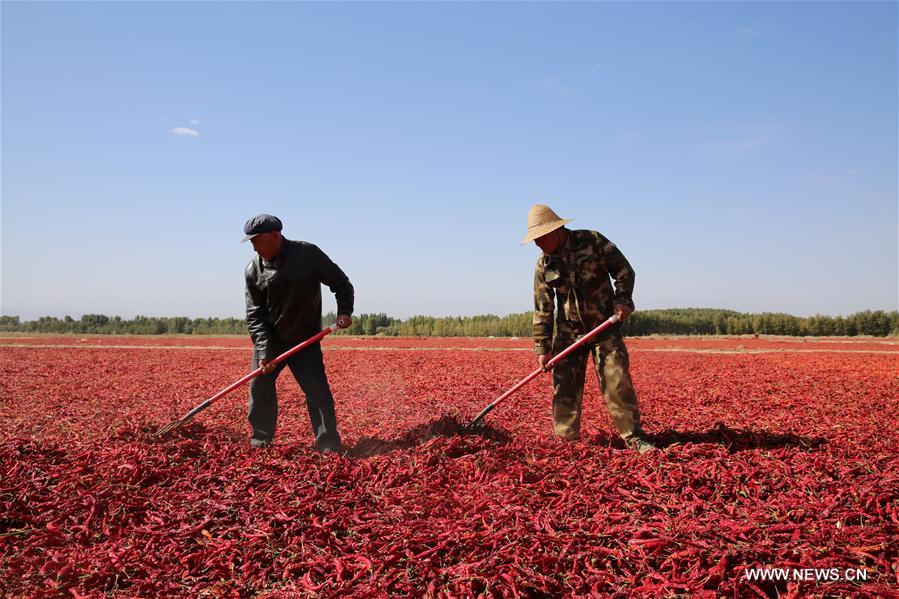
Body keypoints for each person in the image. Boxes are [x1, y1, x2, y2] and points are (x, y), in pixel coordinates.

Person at [523, 204, 655, 453]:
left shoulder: (592, 241)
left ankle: (634, 438)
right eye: (535, 240)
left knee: (617, 382)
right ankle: (565, 442)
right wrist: (542, 347)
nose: (537, 244)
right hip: (568, 333)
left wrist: (623, 300)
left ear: (556, 230)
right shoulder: (544, 265)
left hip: (604, 327)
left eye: (540, 238)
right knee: (564, 389)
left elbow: (624, 271)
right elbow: (543, 308)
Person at [242, 214, 353, 452]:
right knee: (259, 387)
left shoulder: (307, 255)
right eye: (251, 242)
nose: (254, 247)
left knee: (317, 393)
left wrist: (344, 311)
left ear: (275, 235)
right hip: (271, 341)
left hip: (305, 341)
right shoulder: (253, 270)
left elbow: (341, 283)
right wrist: (264, 349)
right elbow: (254, 315)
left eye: (257, 241)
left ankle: (329, 446)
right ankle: (260, 441)